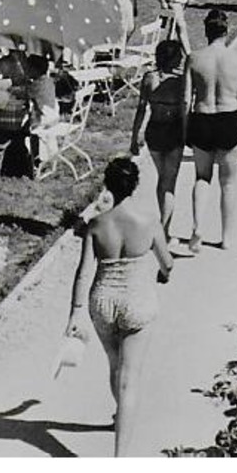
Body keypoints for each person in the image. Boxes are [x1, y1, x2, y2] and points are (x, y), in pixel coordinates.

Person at [65, 157, 174, 457]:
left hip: (102, 302)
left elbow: (83, 271)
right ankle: (120, 459)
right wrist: (164, 274)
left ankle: (119, 416)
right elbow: (167, 262)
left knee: (115, 365)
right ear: (135, 186)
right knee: (130, 380)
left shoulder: (97, 225)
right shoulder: (149, 220)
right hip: (137, 301)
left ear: (108, 186)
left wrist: (75, 310)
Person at [185, 10, 237, 251]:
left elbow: (185, 99)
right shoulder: (236, 60)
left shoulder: (194, 58)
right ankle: (227, 238)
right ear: (227, 30)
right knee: (228, 183)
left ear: (205, 31)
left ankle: (197, 227)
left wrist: (184, 126)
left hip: (202, 117)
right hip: (229, 118)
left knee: (202, 177)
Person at [128, 40, 189, 235]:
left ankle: (162, 223)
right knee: (169, 181)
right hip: (174, 130)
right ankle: (164, 228)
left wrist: (134, 136)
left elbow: (141, 109)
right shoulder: (181, 81)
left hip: (154, 130)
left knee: (162, 178)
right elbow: (186, 107)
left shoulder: (149, 78)